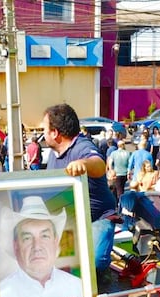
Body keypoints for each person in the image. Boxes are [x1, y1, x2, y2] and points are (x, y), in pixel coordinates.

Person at [41, 103, 118, 281]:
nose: (43, 133)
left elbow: (98, 165)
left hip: (97, 217)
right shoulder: (54, 154)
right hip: (69, 220)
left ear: (55, 133)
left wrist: (83, 164)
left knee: (96, 261)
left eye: (44, 128)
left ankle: (103, 274)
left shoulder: (81, 146)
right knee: (65, 265)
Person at [0, 196, 84, 297]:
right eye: (27, 238)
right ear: (16, 246)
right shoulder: (0, 296)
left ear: (55, 242)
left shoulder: (78, 287)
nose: (37, 246)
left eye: (44, 236)